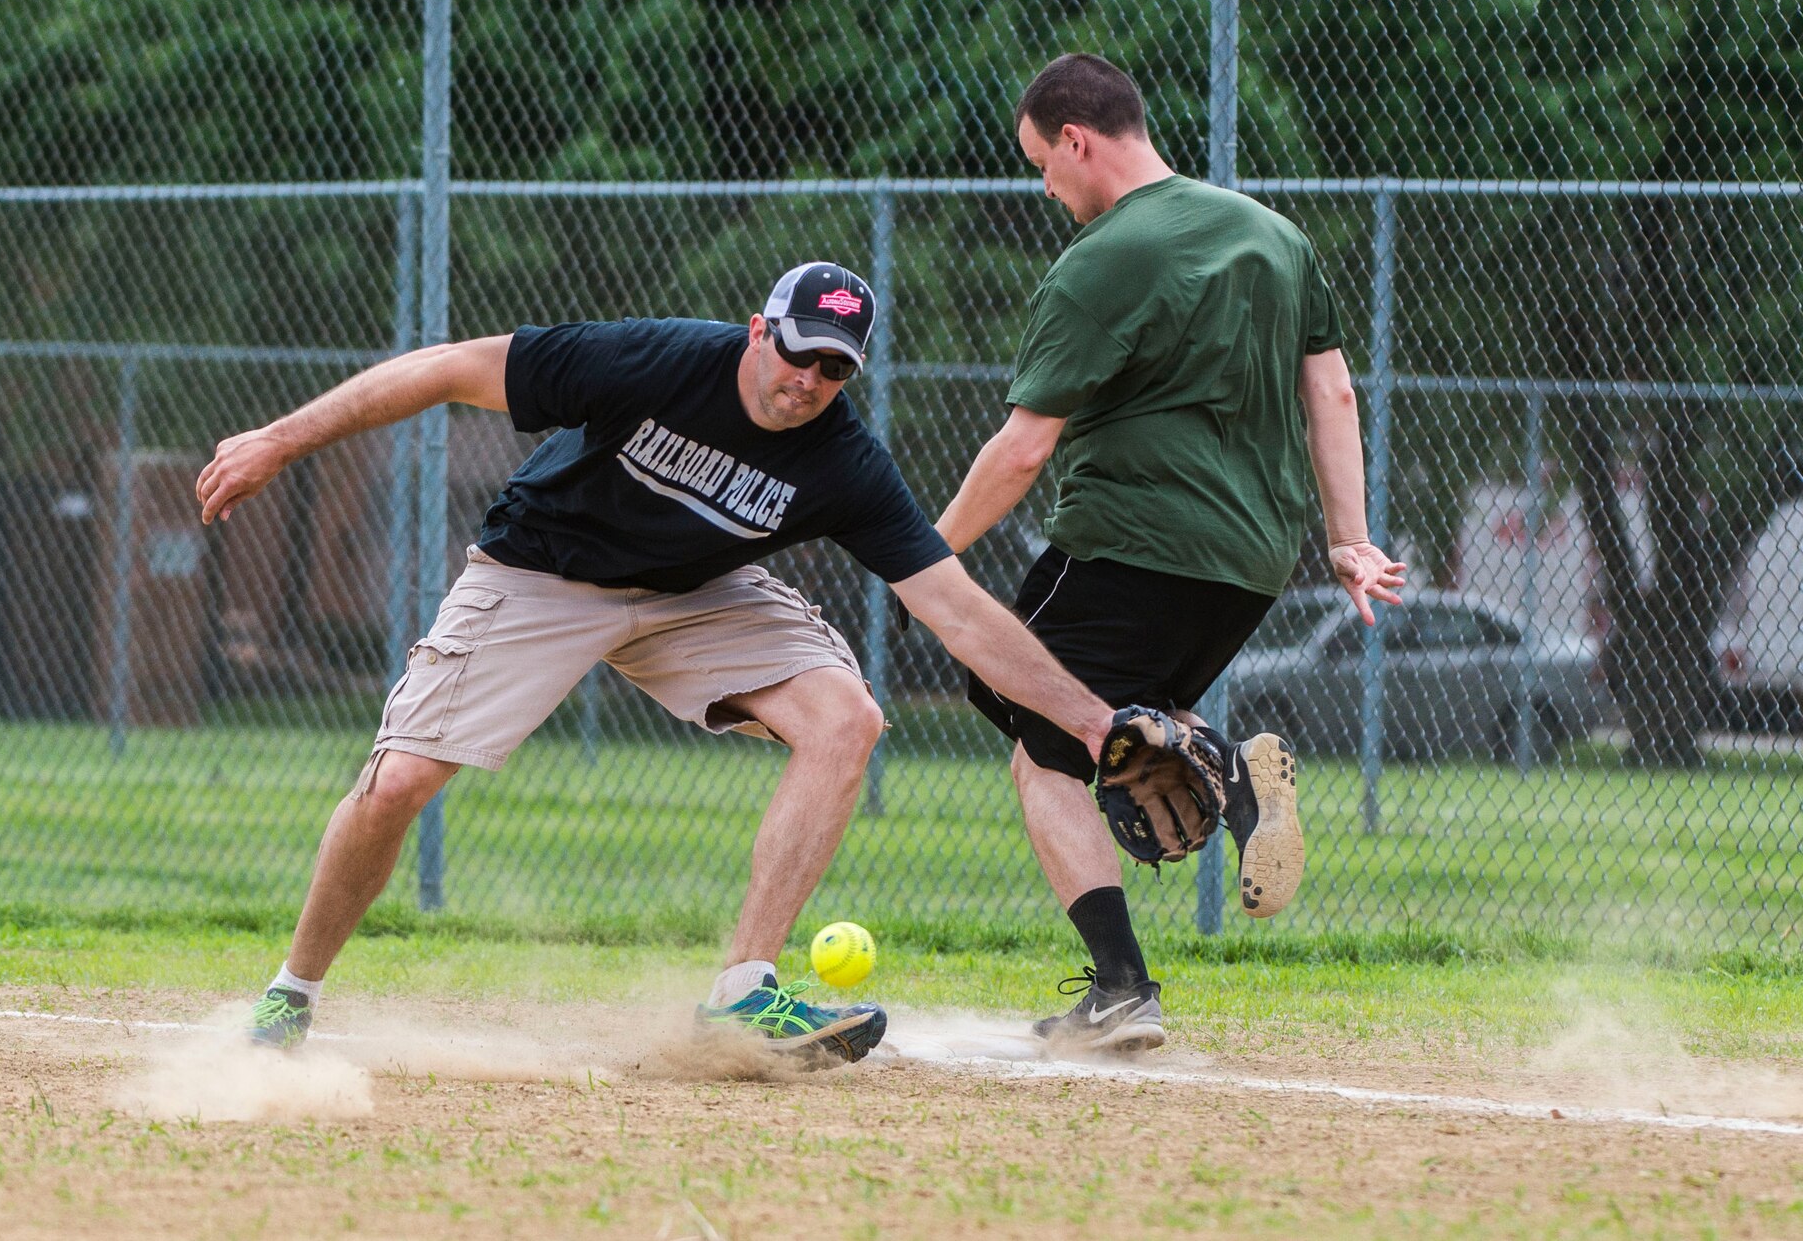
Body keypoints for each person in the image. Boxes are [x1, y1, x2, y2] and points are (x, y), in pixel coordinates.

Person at [197, 261, 1119, 1067]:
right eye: (797, 350)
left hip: (695, 593)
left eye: (835, 366)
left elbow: (955, 606)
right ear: (759, 329)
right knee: (398, 782)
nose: (808, 379)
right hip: (543, 573)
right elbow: (446, 369)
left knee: (849, 718)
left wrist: (1093, 722)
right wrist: (279, 440)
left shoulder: (844, 462)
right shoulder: (654, 359)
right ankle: (292, 992)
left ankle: (742, 992)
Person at [934, 54, 1407, 1054]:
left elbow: (1022, 448)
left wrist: (921, 554)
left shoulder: (1100, 259)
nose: (1043, 188)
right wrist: (1348, 540)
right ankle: (1208, 770)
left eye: (1039, 164)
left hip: (1128, 539)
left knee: (1042, 750)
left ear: (1076, 138)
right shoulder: (1273, 237)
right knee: (1038, 698)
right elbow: (1332, 395)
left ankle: (1127, 976)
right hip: (1248, 562)